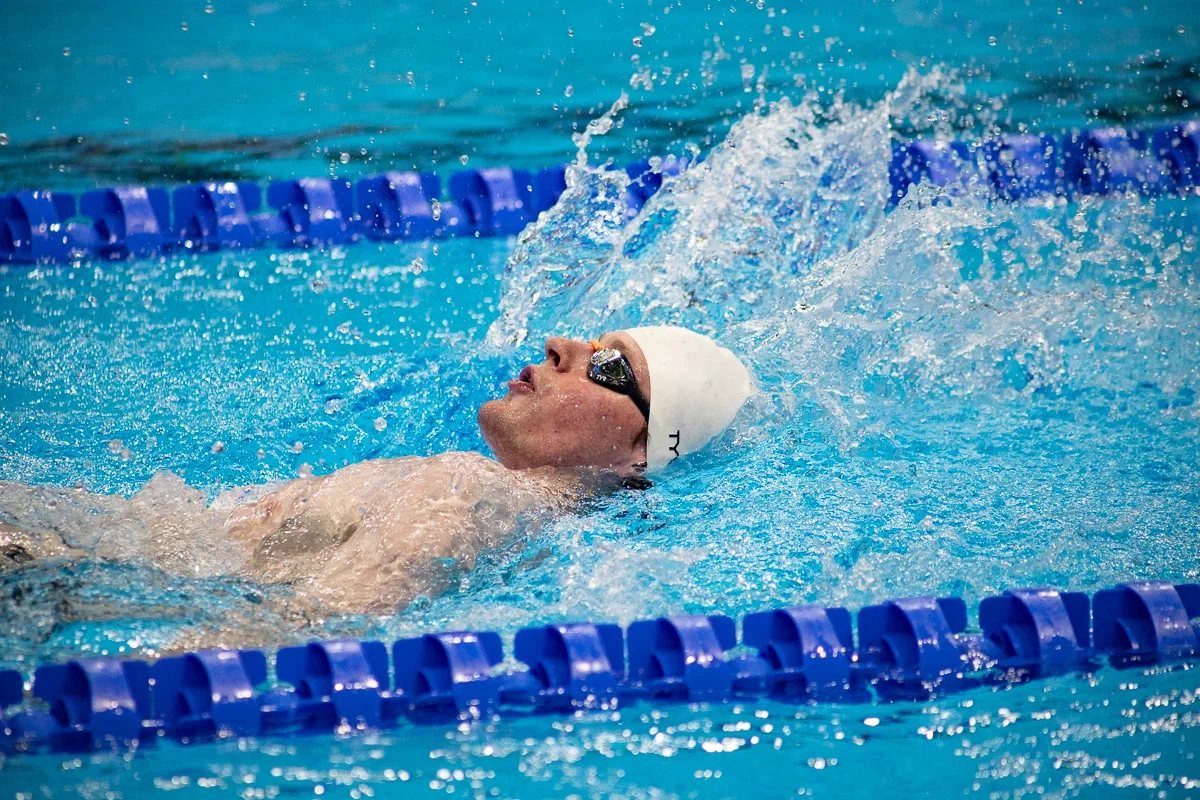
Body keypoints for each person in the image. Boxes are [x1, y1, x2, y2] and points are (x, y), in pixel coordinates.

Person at [0, 326, 753, 614]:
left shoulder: (471, 495)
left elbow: (305, 623)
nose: (563, 346)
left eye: (609, 364)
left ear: (636, 456)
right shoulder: (506, 514)